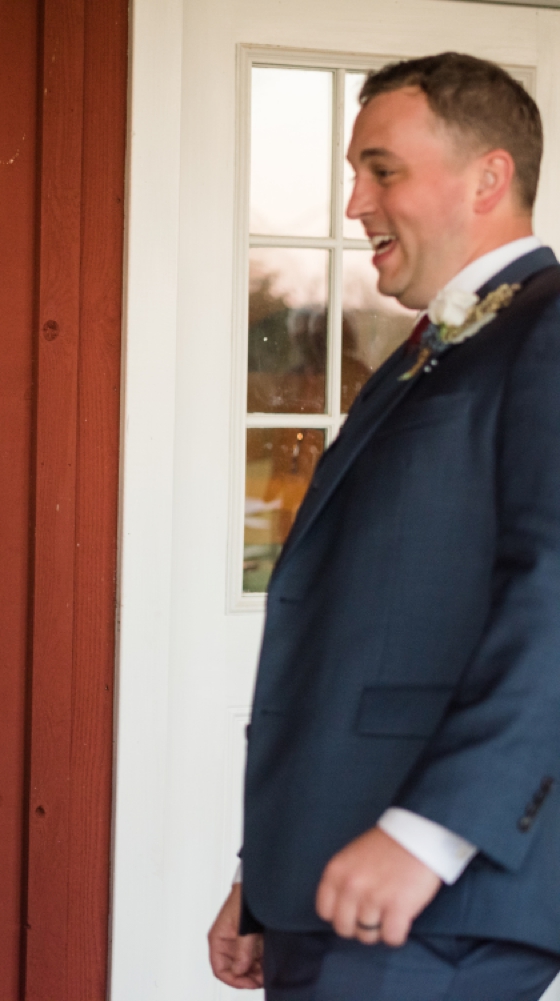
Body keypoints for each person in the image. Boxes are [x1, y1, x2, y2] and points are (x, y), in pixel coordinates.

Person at [209, 52, 560, 999]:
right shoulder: (425, 357)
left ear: (489, 176)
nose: (355, 203)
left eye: (383, 169)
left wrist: (427, 832)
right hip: (329, 882)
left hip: (434, 896)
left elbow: (556, 597)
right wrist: (263, 877)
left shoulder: (549, 330)